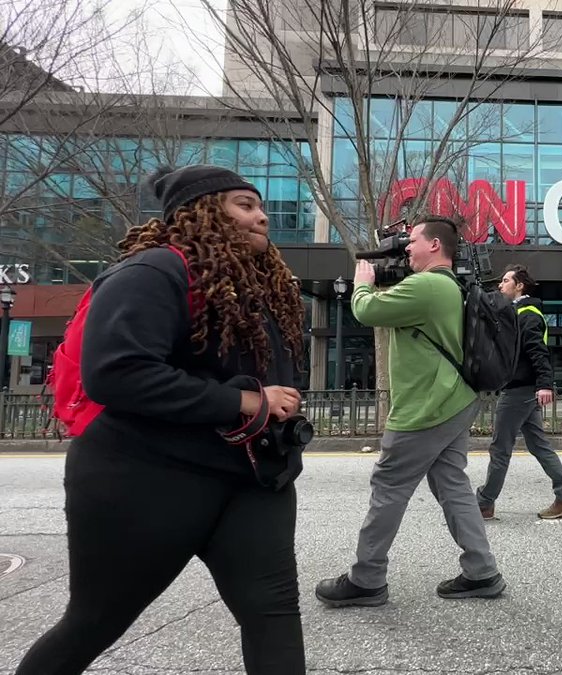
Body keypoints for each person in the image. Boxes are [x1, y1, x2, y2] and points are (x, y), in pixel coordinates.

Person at [16, 165, 309, 675]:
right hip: (142, 478)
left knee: (273, 613)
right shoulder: (152, 272)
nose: (262, 216)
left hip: (249, 480)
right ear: (201, 212)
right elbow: (116, 373)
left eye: (260, 206)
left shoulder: (258, 289)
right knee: (95, 621)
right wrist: (238, 402)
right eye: (245, 204)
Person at [315, 215, 505, 607]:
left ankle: (366, 579)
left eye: (413, 240)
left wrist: (362, 284)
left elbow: (367, 311)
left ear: (435, 246)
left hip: (427, 406)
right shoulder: (448, 285)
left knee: (389, 485)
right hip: (454, 399)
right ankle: (481, 571)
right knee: (451, 483)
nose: (407, 247)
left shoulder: (428, 285)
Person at [477, 264, 562, 520]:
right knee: (539, 446)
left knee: (500, 448)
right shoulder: (517, 313)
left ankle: (484, 503)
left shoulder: (528, 315)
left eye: (505, 281)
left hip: (518, 392)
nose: (500, 285)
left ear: (519, 285)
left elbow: (538, 352)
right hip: (524, 390)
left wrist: (546, 384)